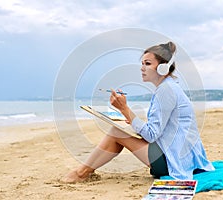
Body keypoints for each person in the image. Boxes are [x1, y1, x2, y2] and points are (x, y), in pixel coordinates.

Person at [62, 41, 215, 183]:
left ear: (163, 67)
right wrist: (130, 120)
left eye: (147, 63)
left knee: (117, 132)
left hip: (174, 160)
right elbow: (161, 130)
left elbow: (152, 135)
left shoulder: (166, 91)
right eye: (142, 63)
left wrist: (124, 109)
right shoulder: (168, 87)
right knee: (120, 131)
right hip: (181, 155)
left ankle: (81, 173)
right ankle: (84, 172)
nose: (142, 68)